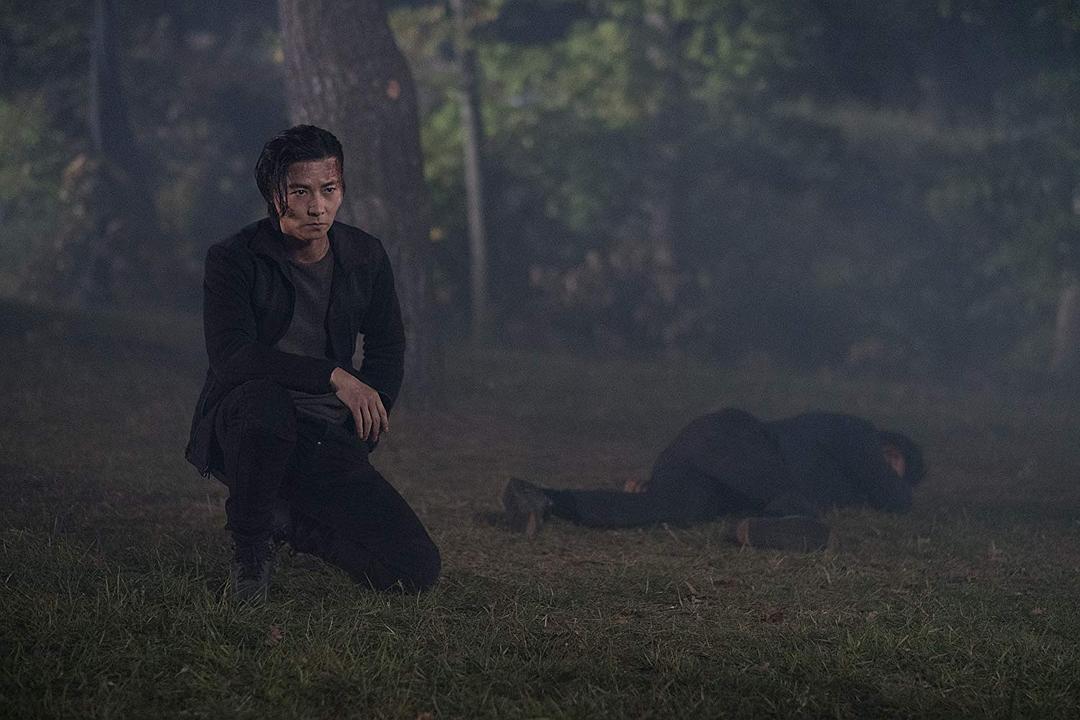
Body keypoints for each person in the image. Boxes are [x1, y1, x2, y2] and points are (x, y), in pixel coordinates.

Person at [185, 125, 440, 600]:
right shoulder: (235, 258)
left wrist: (367, 418)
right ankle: (251, 549)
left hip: (324, 434)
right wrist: (333, 376)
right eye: (300, 192)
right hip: (247, 426)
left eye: (329, 189)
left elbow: (387, 344)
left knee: (416, 569)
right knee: (265, 406)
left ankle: (288, 524)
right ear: (273, 193)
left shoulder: (364, 256)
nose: (317, 207)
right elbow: (232, 357)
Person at [502, 408, 925, 551]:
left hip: (714, 470)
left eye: (897, 468)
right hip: (730, 439)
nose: (888, 468)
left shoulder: (841, 481)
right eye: (892, 458)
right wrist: (900, 488)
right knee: (791, 498)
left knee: (668, 508)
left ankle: (540, 498)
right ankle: (792, 524)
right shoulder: (857, 432)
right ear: (886, 443)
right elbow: (894, 497)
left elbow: (884, 492)